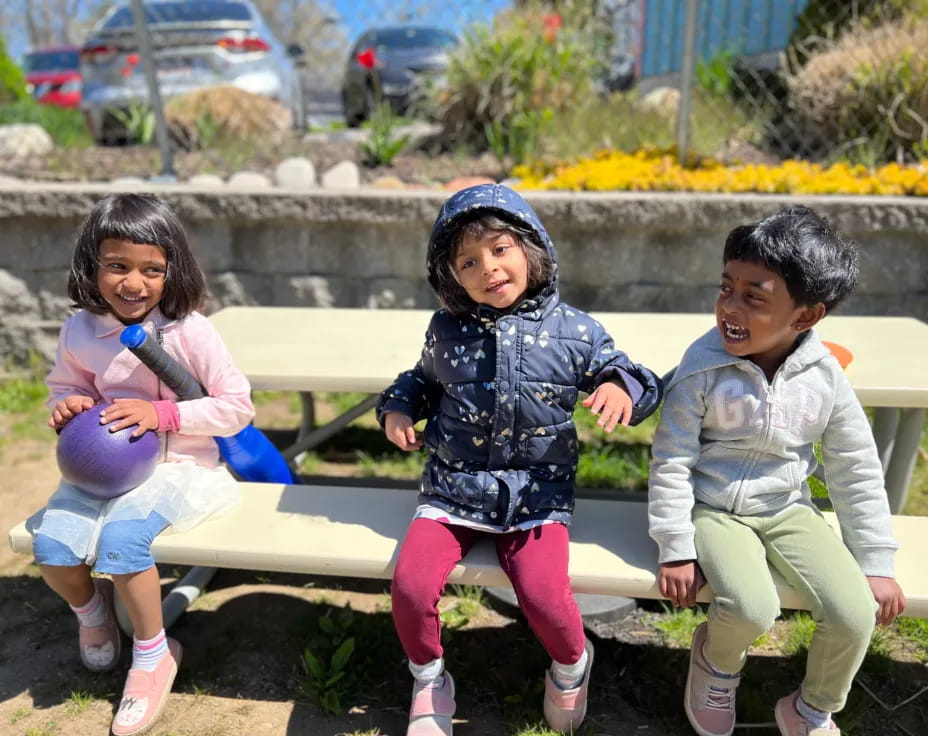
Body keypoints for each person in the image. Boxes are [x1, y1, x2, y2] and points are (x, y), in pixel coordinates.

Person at [377, 183, 663, 735]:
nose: (489, 268)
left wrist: (621, 387)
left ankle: (572, 665)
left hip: (536, 494)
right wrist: (397, 409)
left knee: (543, 595)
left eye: (500, 249)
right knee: (411, 587)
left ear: (531, 248)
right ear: (452, 277)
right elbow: (419, 381)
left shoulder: (575, 330)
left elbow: (628, 371)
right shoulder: (447, 330)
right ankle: (429, 677)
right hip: (452, 489)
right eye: (469, 261)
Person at [647, 206, 906, 736]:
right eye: (726, 288)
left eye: (754, 296)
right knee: (750, 606)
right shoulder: (702, 367)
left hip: (788, 508)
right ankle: (716, 665)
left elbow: (855, 468)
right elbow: (671, 459)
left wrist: (875, 561)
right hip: (713, 510)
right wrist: (675, 544)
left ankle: (811, 708)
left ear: (806, 317)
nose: (730, 307)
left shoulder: (825, 379)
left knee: (855, 613)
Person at [32, 193, 255, 736]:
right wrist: (66, 405)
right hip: (100, 470)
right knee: (52, 547)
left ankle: (153, 655)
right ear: (92, 265)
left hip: (182, 471)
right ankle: (94, 613)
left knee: (122, 544)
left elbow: (236, 408)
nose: (134, 283)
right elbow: (66, 386)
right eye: (118, 266)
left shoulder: (189, 331)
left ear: (171, 270)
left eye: (151, 270)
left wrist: (162, 414)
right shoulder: (80, 331)